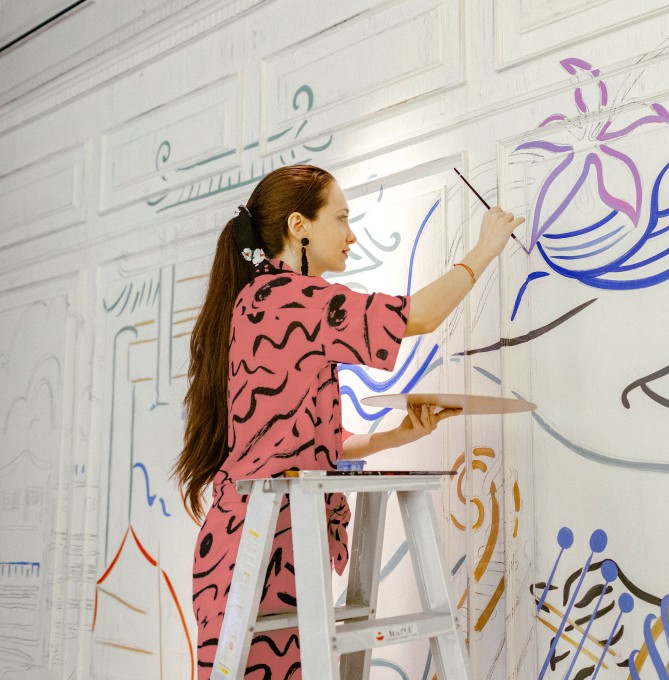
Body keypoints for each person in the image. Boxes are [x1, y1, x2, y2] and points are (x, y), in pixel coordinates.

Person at [172, 164, 523, 679]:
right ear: (300, 226)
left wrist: (394, 436)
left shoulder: (261, 301)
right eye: (341, 217)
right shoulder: (291, 298)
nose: (352, 234)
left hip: (262, 536)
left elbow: (306, 443)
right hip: (262, 543)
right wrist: (486, 247)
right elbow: (419, 316)